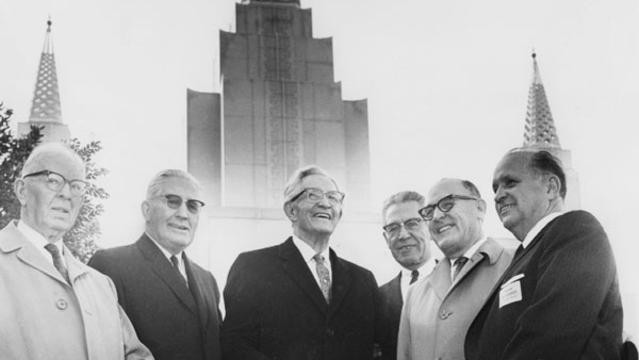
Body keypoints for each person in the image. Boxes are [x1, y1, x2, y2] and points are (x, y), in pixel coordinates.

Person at [465, 149, 623, 360]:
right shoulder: (524, 255)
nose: (498, 195)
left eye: (510, 182)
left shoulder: (576, 230)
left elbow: (551, 337)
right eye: (495, 188)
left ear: (550, 187)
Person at [0, 142, 152, 360]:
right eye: (52, 180)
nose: (66, 194)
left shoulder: (101, 285)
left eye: (77, 186)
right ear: (22, 190)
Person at [221, 165, 389, 360]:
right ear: (291, 210)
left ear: (339, 213)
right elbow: (235, 344)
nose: (325, 203)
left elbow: (380, 348)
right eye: (313, 195)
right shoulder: (252, 267)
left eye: (333, 197)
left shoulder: (363, 279)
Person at [90, 169, 221, 360]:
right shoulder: (111, 265)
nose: (183, 214)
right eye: (172, 202)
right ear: (147, 210)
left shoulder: (207, 280)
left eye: (193, 206)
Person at [397, 178, 515, 360]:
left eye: (447, 204)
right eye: (429, 211)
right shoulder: (415, 293)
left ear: (480, 208)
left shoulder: (518, 265)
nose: (436, 217)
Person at [378, 191, 436, 360]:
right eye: (393, 228)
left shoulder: (458, 279)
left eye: (412, 223)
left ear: (430, 228)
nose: (403, 235)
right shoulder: (377, 297)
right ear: (386, 238)